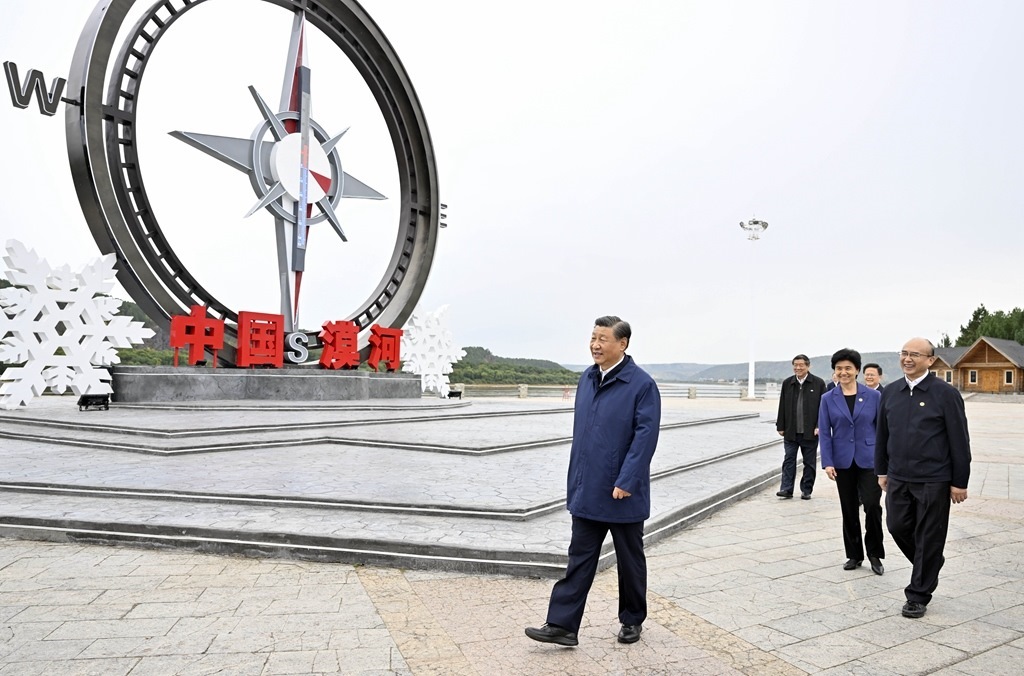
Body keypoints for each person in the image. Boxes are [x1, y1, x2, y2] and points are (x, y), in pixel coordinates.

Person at [526, 316, 661, 647]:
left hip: (622, 492)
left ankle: (632, 620)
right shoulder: (587, 378)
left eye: (603, 339)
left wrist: (627, 480)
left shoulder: (642, 385)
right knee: (579, 559)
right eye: (593, 338)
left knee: (629, 561)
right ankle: (562, 625)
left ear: (622, 344)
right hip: (587, 488)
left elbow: (645, 438)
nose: (595, 345)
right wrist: (576, 480)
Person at [876, 338, 971, 619]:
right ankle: (931, 562)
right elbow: (882, 435)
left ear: (930, 360)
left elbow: (959, 440)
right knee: (896, 526)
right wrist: (881, 470)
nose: (907, 358)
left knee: (930, 535)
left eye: (915, 354)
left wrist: (960, 482)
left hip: (934, 478)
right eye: (904, 353)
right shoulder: (890, 392)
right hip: (898, 476)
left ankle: (918, 595)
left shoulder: (945, 394)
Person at [818, 348, 884, 575]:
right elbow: (825, 432)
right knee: (848, 508)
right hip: (842, 460)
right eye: (839, 368)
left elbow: (882, 430)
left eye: (848, 368)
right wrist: (827, 462)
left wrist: (885, 460)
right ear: (834, 371)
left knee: (872, 506)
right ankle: (854, 554)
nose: (843, 372)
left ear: (857, 370)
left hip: (870, 459)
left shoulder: (874, 396)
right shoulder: (827, 399)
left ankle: (875, 553)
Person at [776, 354, 827, 499]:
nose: (798, 368)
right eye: (795, 365)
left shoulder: (818, 383)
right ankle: (786, 489)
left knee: (809, 463)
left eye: (801, 365)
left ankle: (806, 489)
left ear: (808, 366)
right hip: (790, 431)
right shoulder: (788, 383)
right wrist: (780, 425)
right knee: (789, 460)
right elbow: (782, 405)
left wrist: (819, 425)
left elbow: (823, 408)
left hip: (810, 432)